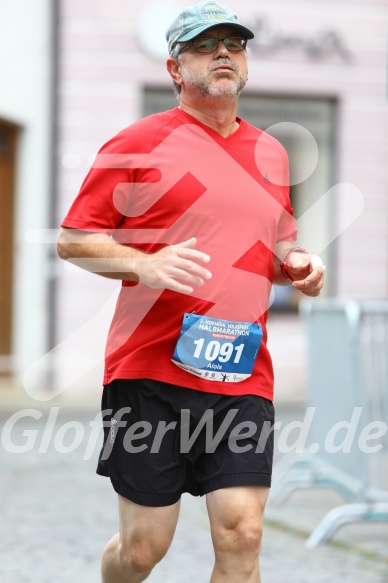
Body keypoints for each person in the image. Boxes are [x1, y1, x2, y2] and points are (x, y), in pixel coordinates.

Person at [57, 1, 324, 581]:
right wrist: (142, 264)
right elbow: (74, 240)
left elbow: (277, 244)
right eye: (206, 46)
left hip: (242, 370)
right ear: (177, 69)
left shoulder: (270, 152)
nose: (224, 53)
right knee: (143, 549)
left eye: (234, 44)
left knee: (243, 533)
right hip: (149, 372)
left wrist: (297, 263)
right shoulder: (137, 142)